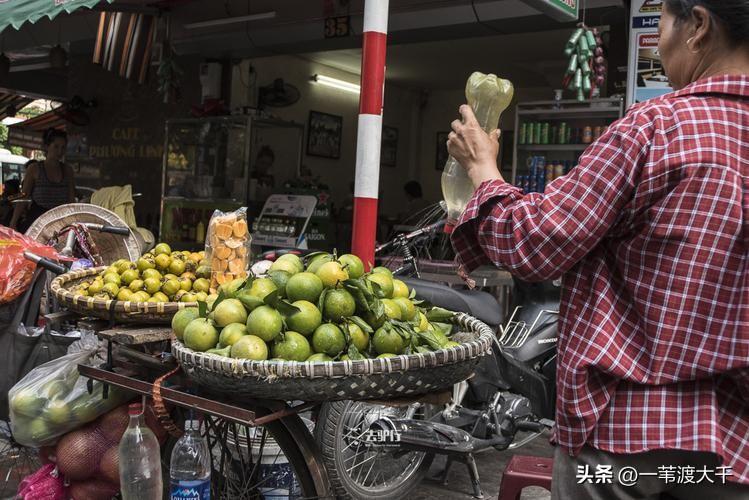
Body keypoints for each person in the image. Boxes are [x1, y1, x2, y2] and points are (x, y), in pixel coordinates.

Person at [447, 1, 749, 498]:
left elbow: (538, 242)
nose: (658, 42)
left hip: (626, 437)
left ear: (698, 26)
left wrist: (484, 170)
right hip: (733, 447)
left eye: (661, 26)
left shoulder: (657, 128)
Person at [10, 129, 75, 232]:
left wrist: (74, 221)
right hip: (37, 222)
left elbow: (71, 200)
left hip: (61, 223)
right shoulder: (34, 169)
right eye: (56, 146)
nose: (60, 151)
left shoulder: (68, 170)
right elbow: (24, 195)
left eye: (63, 148)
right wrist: (13, 222)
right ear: (46, 146)